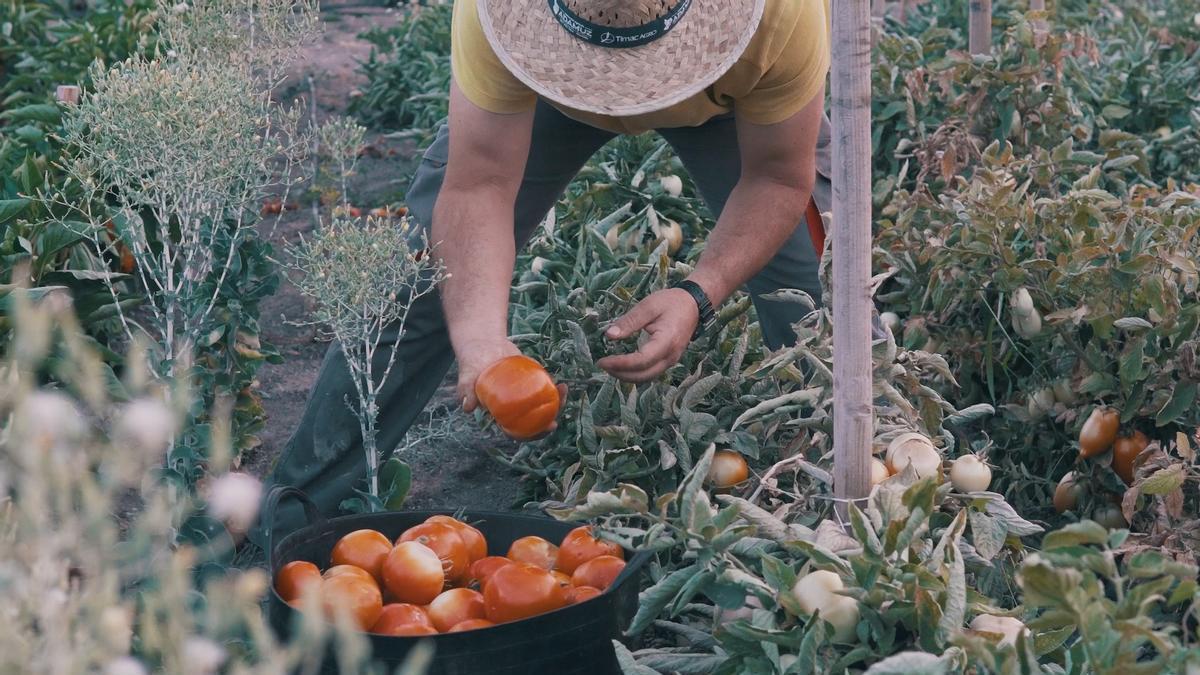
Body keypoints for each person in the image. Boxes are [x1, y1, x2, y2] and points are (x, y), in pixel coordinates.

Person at [249, 0, 833, 549]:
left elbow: (778, 178)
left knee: (815, 296)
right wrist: (479, 341)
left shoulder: (778, 16)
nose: (622, 92)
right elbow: (479, 182)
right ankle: (298, 508)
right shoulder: (501, 17)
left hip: (722, 96)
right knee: (420, 280)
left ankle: (839, 482)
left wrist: (697, 294)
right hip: (550, 92)